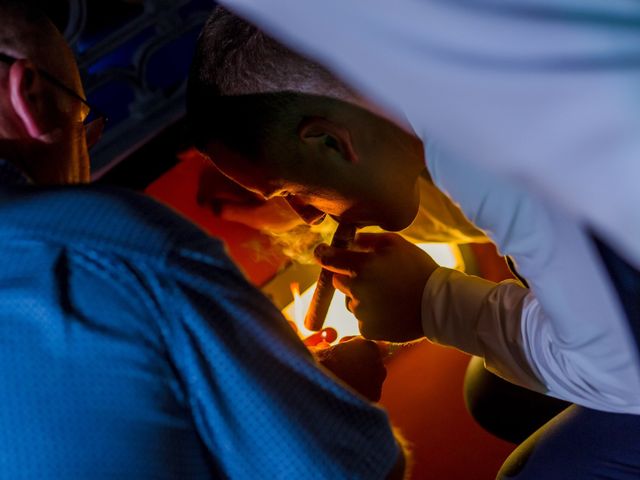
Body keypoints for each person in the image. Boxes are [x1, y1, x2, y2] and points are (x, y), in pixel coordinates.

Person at [187, 7, 640, 478]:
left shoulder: (481, 153)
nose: (308, 217)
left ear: (328, 141)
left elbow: (624, 373)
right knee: (494, 393)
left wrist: (432, 303)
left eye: (290, 194)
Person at [0, 2, 406, 478]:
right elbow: (357, 469)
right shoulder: (112, 245)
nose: (87, 152)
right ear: (31, 96)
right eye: (83, 126)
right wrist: (324, 391)